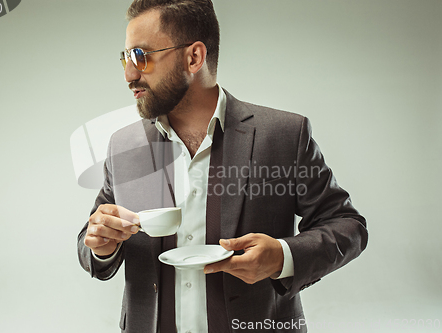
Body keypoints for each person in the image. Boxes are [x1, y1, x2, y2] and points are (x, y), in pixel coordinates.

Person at [77, 0, 368, 332]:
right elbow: (92, 238)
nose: (130, 74)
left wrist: (281, 257)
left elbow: (348, 225)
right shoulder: (124, 145)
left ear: (194, 57)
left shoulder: (283, 135)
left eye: (141, 57)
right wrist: (101, 245)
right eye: (125, 59)